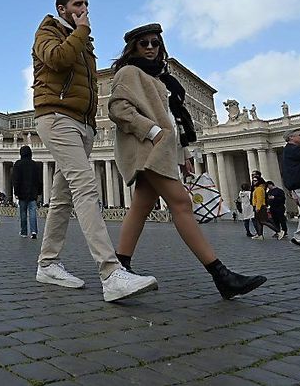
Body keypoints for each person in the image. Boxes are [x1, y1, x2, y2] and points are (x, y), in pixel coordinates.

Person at [110, 22, 265, 299]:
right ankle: (220, 274)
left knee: (141, 206)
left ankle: (118, 266)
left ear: (161, 47)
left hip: (164, 150)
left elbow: (174, 120)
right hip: (149, 148)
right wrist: (154, 132)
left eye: (154, 43)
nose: (149, 48)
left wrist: (183, 154)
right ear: (133, 47)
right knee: (181, 203)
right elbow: (119, 109)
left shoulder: (161, 79)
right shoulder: (129, 72)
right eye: (143, 43)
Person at [32, 0, 157, 302]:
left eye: (86, 3)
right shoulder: (48, 31)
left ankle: (48, 264)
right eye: (78, 4)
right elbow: (56, 59)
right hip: (57, 117)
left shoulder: (83, 42)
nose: (84, 8)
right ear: (62, 9)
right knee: (86, 188)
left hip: (83, 125)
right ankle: (111, 273)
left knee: (62, 197)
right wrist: (82, 31)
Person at [12, 145, 43, 238]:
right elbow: (39, 180)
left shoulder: (18, 164)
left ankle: (24, 232)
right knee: (33, 212)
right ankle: (34, 232)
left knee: (23, 213)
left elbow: (16, 180)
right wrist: (39, 192)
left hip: (22, 193)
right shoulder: (35, 165)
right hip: (33, 193)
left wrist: (16, 192)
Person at [250, 172, 274, 240]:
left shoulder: (260, 189)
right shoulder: (256, 188)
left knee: (263, 221)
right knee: (259, 221)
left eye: (255, 180)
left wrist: (257, 208)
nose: (253, 181)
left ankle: (278, 231)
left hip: (260, 206)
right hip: (257, 205)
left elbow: (260, 199)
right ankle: (260, 235)